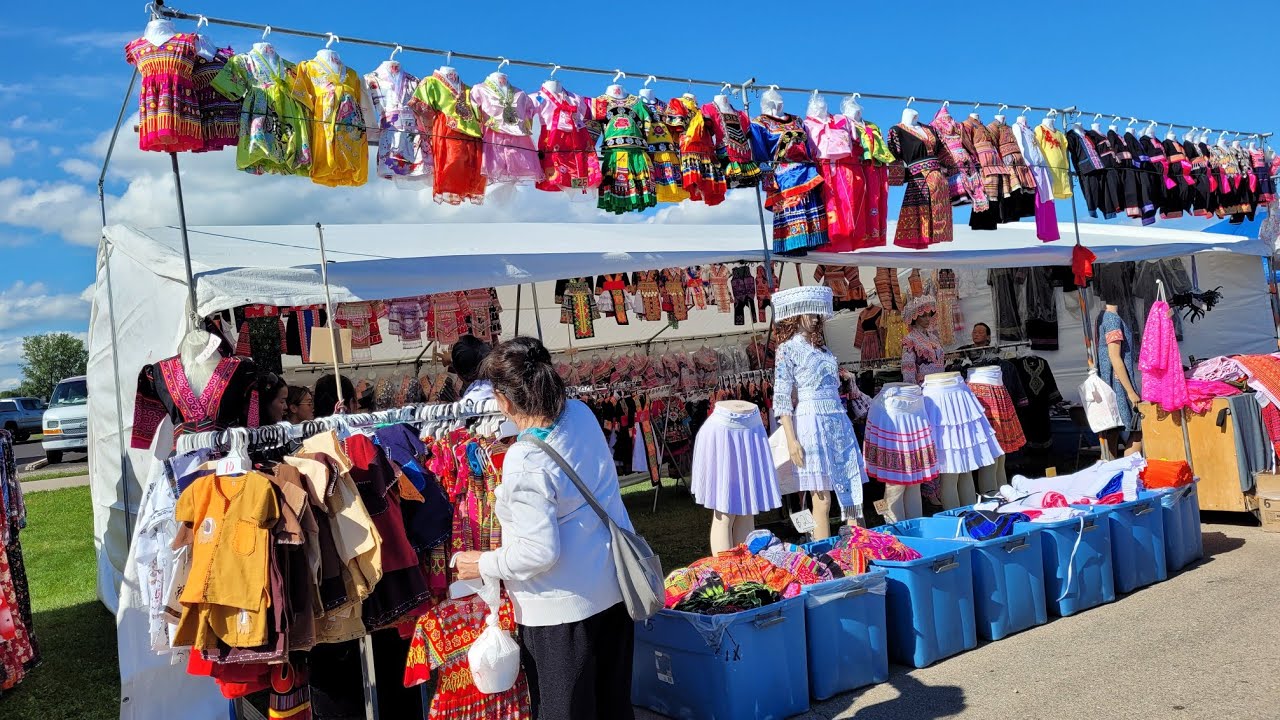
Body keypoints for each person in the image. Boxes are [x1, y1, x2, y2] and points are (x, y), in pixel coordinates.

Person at [453, 336, 636, 720]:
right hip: (613, 588)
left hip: (561, 612)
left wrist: (483, 564)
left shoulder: (524, 459)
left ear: (503, 400)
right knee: (612, 706)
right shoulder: (580, 414)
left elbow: (539, 552)